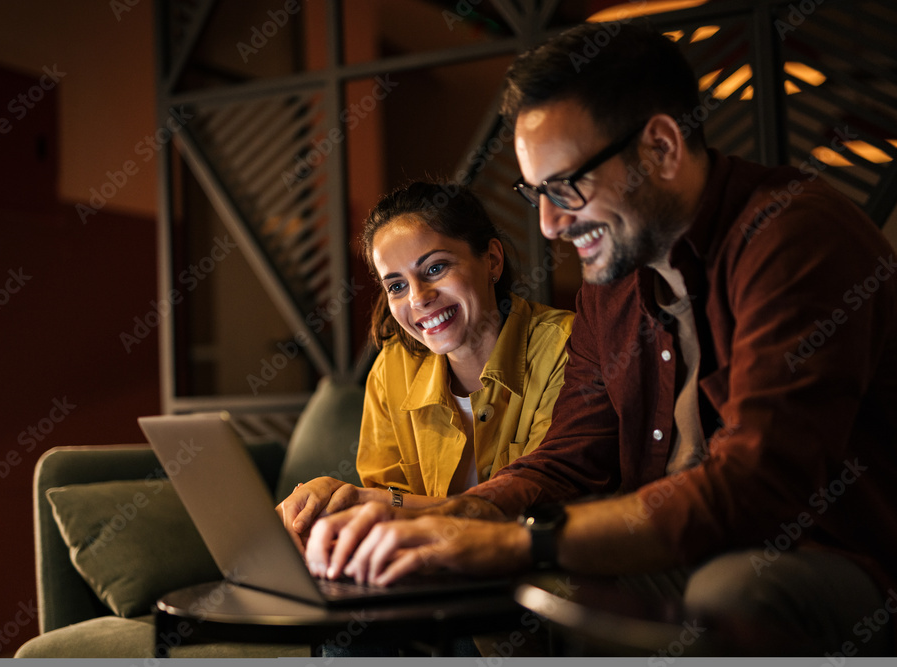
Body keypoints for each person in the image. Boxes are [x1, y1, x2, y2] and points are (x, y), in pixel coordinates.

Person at [303, 21, 897, 654]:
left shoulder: (791, 237)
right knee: (475, 598)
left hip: (832, 557)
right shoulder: (610, 286)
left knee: (731, 592)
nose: (551, 224)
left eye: (565, 188)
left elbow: (757, 484)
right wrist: (451, 519)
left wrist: (517, 539)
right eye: (535, 194)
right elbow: (568, 458)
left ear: (661, 148)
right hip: (681, 551)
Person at [277, 181, 574, 561]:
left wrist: (373, 500)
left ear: (493, 260)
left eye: (435, 268)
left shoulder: (565, 346)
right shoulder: (393, 367)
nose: (417, 298)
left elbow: (546, 503)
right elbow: (389, 514)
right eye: (396, 285)